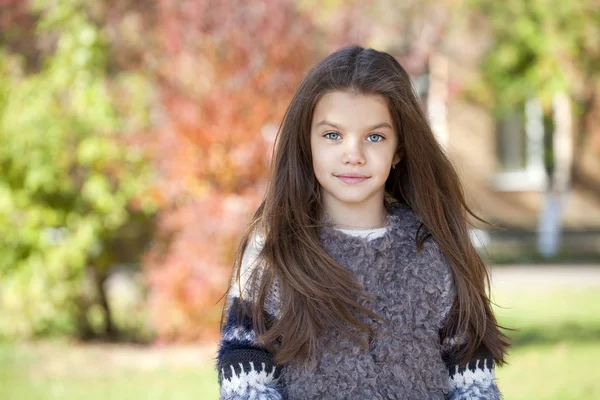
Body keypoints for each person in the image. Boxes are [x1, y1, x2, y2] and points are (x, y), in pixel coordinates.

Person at [216, 45, 510, 399]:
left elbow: (473, 379)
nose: (353, 154)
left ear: (398, 149)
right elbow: (244, 374)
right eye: (332, 135)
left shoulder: (433, 249)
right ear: (307, 144)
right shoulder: (274, 247)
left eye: (374, 137)